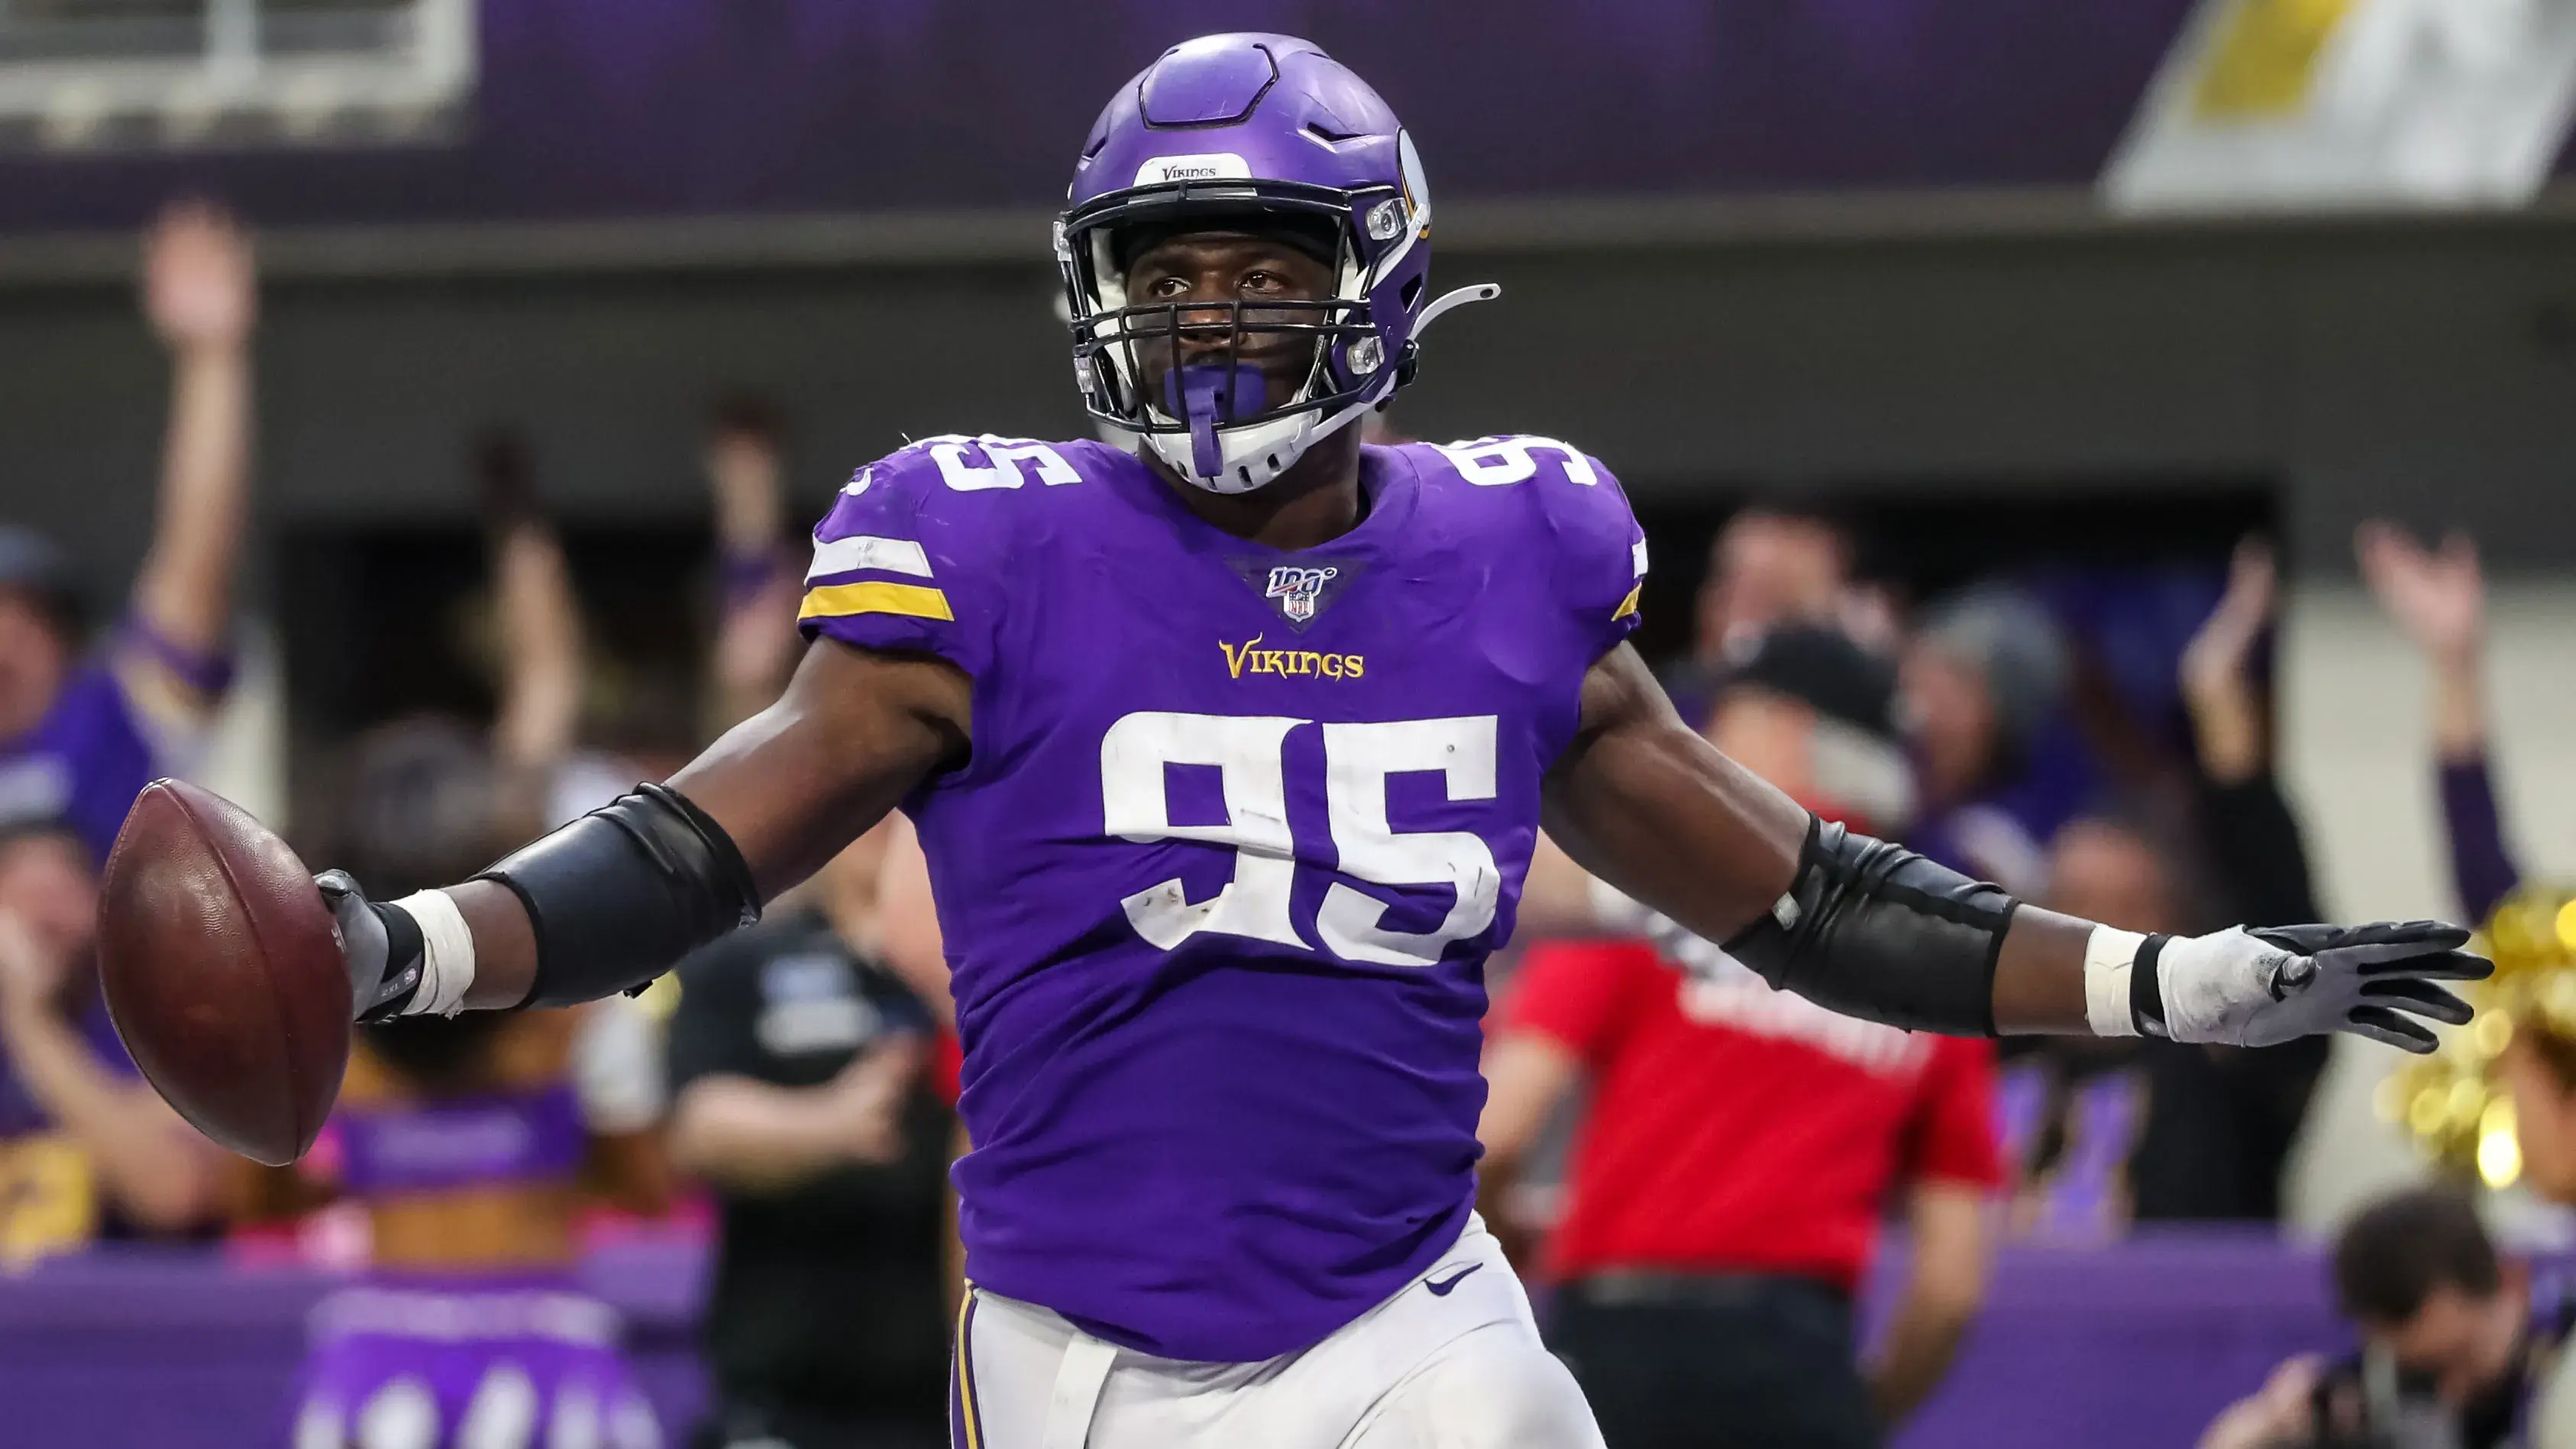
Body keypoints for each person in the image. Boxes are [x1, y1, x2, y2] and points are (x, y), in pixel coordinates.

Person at [299, 34, 2479, 1449]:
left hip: (1398, 1318)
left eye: (1259, 276)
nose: (1210, 323)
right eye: (1170, 282)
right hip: (1079, 1356)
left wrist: (2157, 983)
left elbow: (1799, 895)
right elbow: (693, 848)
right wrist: (411, 950)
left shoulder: (1511, 553)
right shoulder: (987, 553)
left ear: (1376, 284)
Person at [1481, 625, 1996, 1449]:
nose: (1696, 735)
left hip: (1618, 1351)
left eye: (1724, 712)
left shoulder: (1657, 884)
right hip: (1800, 1366)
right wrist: (1857, 1415)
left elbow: (1495, 1134)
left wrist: (1507, 1266)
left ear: (1784, 728)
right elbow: (1950, 1282)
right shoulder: (1932, 945)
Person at [273, 454, 672, 1449]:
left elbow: (261, 1187)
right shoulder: (566, 1026)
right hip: (532, 1342)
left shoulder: (335, 1047)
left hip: (387, 1356)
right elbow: (646, 1183)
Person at [666, 825, 952, 1449]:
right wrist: (830, 1123)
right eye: (872, 803)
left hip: (950, 1397)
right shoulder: (748, 960)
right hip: (782, 1394)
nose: (886, 822)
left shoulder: (981, 971)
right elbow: (695, 1127)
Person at [0, 199, 257, 866]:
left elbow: (192, 579)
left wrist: (213, 361)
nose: (6, 641)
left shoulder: (108, 727)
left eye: (28, 619)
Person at [0, 817, 221, 1257]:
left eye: (60, 897)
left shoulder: (157, 1022)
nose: (42, 924)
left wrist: (30, 1022)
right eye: (22, 900)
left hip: (126, 1302)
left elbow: (172, 1193)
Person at [2197, 1187, 2558, 1449]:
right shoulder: (2377, 1382)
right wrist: (2277, 1418)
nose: (2451, 1388)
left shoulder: (2561, 1352)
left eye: (2405, 1307)